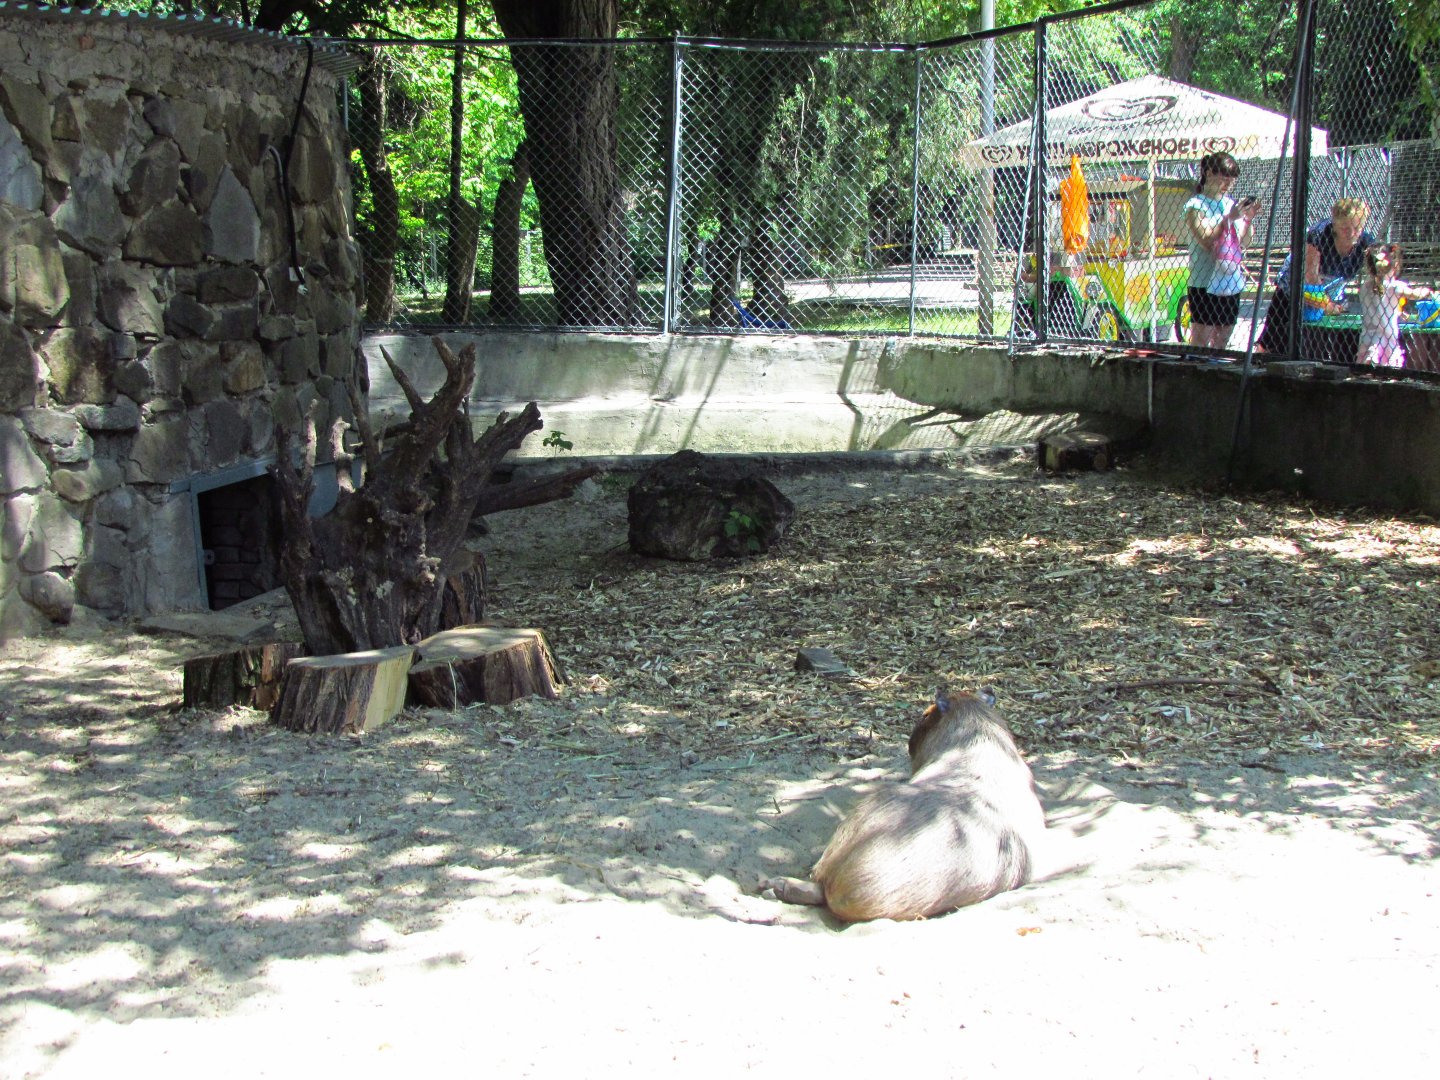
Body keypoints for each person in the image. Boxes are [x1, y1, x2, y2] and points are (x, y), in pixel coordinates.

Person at [1255, 198, 1376, 357]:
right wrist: (1326, 305)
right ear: (1335, 225)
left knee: (1328, 337)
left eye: (1357, 227)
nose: (1352, 233)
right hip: (1297, 288)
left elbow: (1376, 270)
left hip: (1332, 290)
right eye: (1346, 228)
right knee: (1274, 337)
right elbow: (1310, 275)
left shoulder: (1366, 242)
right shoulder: (1319, 235)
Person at [1182, 152, 1261, 350]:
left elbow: (1244, 242)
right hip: (1204, 281)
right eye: (1224, 178)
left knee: (1223, 337)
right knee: (1201, 338)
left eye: (1232, 180)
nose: (1228, 184)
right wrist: (1228, 219)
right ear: (1209, 173)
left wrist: (1248, 219)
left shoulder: (1230, 204)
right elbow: (1205, 239)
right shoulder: (1195, 205)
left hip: (1229, 281)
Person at [1357, 244, 1431, 368]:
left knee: (1366, 370)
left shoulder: (1365, 286)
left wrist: (1397, 311)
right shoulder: (1395, 286)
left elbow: (1379, 304)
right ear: (1395, 265)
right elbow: (1414, 295)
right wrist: (1425, 290)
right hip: (1387, 340)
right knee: (1388, 372)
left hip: (1367, 338)